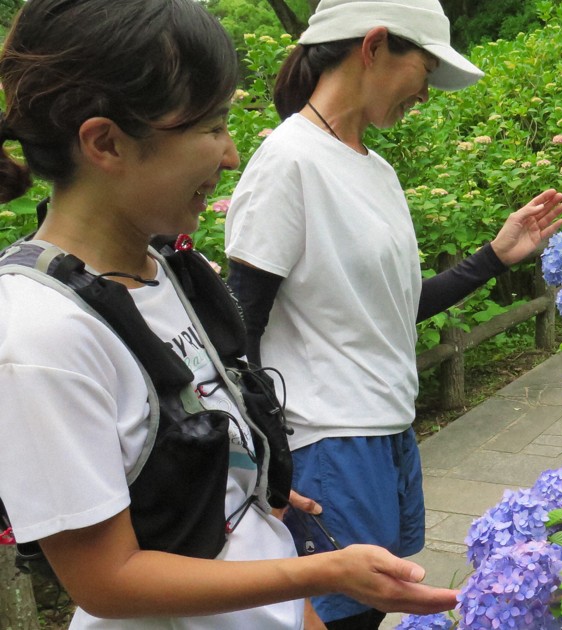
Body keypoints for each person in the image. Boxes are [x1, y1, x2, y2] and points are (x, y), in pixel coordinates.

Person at [0, 1, 458, 628]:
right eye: (210, 127)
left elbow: (209, 468)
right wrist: (322, 572)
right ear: (106, 143)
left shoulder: (162, 272)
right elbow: (108, 581)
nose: (232, 154)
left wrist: (253, 489)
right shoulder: (39, 336)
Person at [223, 0, 562, 627]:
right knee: (340, 620)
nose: (428, 95)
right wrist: (261, 457)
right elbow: (237, 326)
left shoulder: (373, 167)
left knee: (372, 613)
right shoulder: (288, 161)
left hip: (388, 429)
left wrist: (494, 256)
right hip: (325, 439)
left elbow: (396, 309)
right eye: (427, 71)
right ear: (374, 45)